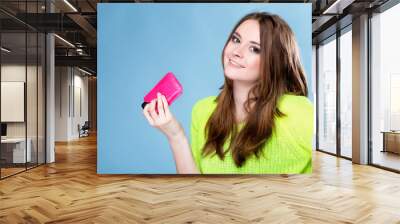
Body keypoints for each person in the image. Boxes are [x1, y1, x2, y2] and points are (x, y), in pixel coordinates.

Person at [142, 12, 313, 174]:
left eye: (254, 49)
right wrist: (175, 134)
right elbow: (196, 187)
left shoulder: (298, 111)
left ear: (274, 62)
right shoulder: (203, 110)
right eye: (236, 39)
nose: (236, 52)